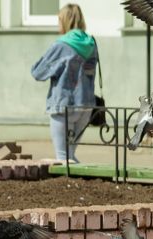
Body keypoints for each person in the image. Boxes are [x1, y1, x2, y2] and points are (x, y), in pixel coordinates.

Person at [31, 4, 98, 163]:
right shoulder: (91, 43)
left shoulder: (61, 45)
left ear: (66, 21)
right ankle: (80, 185)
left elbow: (38, 72)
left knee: (62, 158)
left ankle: (70, 186)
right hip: (86, 107)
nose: (58, 24)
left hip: (64, 106)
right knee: (70, 157)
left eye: (59, 20)